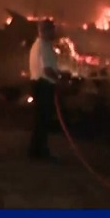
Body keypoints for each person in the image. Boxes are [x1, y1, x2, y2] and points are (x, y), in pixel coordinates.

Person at [28, 19, 64, 159]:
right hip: (44, 85)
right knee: (43, 120)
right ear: (46, 31)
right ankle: (40, 152)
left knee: (40, 120)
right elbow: (47, 70)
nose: (54, 32)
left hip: (40, 84)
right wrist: (59, 81)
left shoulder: (38, 45)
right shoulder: (43, 46)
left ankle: (35, 151)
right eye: (52, 29)